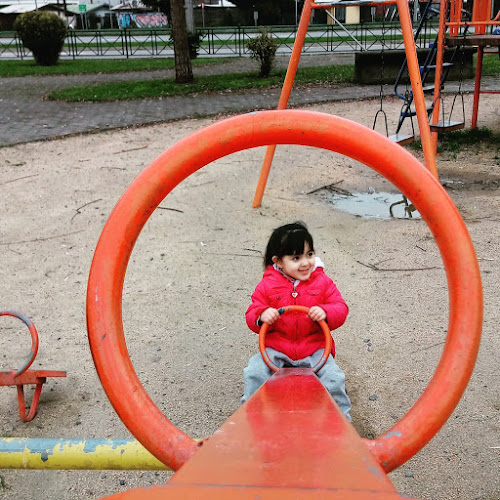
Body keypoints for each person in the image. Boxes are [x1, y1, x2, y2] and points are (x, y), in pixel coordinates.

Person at [242, 221, 351, 421]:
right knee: (254, 372)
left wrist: (325, 312)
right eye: (295, 257)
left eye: (309, 254)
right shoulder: (268, 284)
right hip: (277, 348)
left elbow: (341, 308)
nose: (305, 263)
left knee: (334, 379)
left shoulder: (322, 281)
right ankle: (251, 417)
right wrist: (262, 315)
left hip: (314, 348)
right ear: (279, 261)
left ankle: (341, 422)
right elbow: (251, 313)